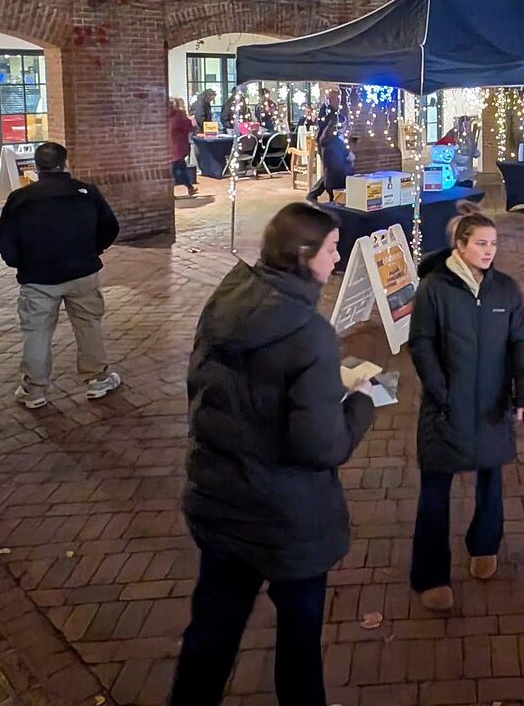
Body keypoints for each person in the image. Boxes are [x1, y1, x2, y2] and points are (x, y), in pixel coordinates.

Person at [171, 202, 375, 706]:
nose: (337, 258)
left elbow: (207, 390)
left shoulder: (227, 299)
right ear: (305, 254)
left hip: (219, 500)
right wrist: (361, 405)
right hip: (287, 518)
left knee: (212, 632)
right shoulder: (310, 335)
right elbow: (319, 445)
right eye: (331, 248)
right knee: (300, 642)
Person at [409, 212, 524, 611]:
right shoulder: (433, 289)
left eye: (494, 244)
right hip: (447, 406)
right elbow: (422, 342)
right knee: (435, 492)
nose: (489, 251)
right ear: (460, 245)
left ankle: (485, 544)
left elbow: (519, 347)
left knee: (490, 480)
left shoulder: (505, 291)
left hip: (492, 404)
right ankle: (430, 574)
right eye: (481, 243)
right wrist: (441, 389)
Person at [0, 141, 123, 408]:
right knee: (89, 325)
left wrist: (20, 263)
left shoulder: (20, 199)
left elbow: (4, 238)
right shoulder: (86, 192)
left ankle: (34, 390)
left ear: (37, 167)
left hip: (38, 278)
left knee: (36, 332)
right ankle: (97, 378)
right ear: (65, 163)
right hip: (82, 272)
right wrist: (92, 251)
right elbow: (110, 227)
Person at [305, 90, 346, 203]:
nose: (338, 101)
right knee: (330, 171)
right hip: (326, 144)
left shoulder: (334, 110)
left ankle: (315, 194)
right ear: (330, 99)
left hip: (334, 144)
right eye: (336, 99)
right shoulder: (326, 110)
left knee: (333, 171)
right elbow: (327, 126)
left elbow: (340, 121)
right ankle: (320, 195)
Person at [169, 97, 198, 197]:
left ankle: (188, 188)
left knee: (176, 169)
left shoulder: (172, 116)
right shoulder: (178, 116)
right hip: (176, 147)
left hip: (173, 147)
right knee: (179, 169)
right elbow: (189, 127)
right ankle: (189, 187)